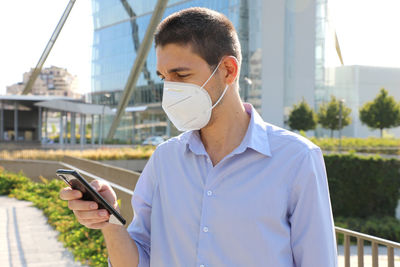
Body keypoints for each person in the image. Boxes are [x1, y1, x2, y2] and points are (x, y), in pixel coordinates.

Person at [60, 7, 337, 267]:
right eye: (164, 77)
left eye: (181, 75)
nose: (170, 89)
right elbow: (137, 260)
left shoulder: (297, 159)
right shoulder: (164, 160)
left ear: (228, 70)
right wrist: (109, 222)